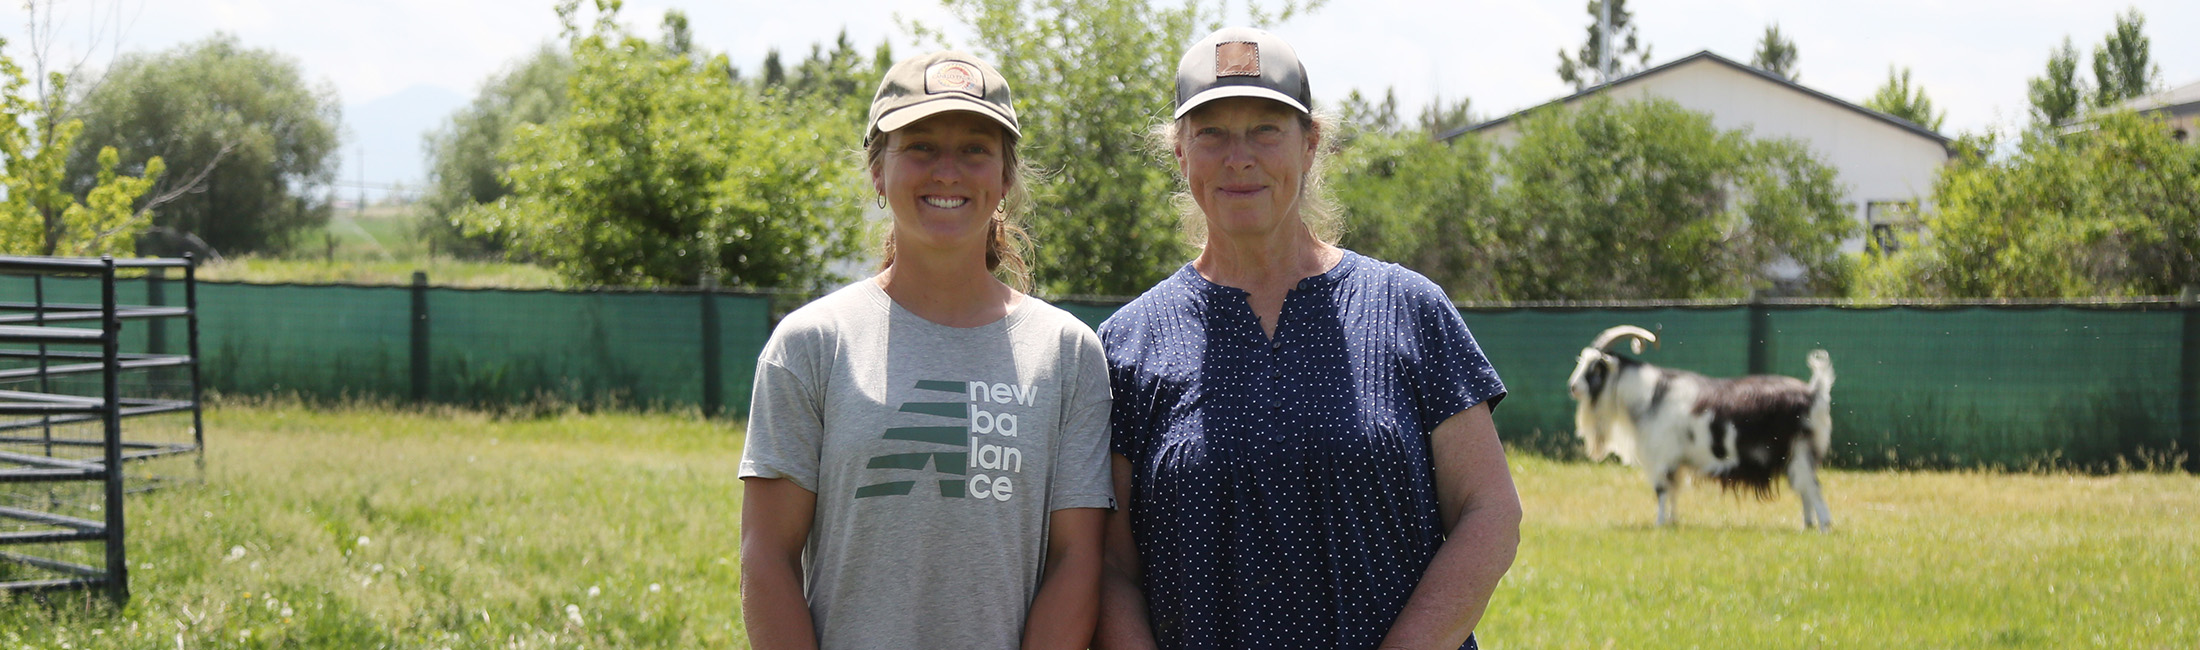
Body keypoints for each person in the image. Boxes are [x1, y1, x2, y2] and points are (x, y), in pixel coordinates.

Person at [1094, 27, 1522, 650]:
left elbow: (1490, 514)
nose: (1239, 157)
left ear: (1310, 145)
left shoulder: (1407, 309)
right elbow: (1110, 567)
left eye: (1266, 129)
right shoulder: (1128, 345)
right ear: (1180, 153)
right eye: (1211, 132)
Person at [738, 50, 1113, 650]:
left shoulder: (1068, 353)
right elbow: (766, 557)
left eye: (974, 149)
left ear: (1005, 178)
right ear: (877, 171)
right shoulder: (811, 344)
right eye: (919, 147)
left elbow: (1077, 560)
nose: (947, 171)